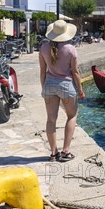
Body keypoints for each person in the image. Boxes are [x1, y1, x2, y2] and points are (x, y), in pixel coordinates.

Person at [39, 20, 85, 162]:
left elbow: (42, 71)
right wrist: (81, 90)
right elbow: (75, 72)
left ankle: (53, 153)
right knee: (71, 116)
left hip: (49, 85)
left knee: (51, 120)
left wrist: (44, 87)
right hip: (66, 86)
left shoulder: (43, 47)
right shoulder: (70, 49)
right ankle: (65, 151)